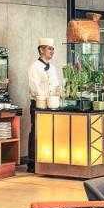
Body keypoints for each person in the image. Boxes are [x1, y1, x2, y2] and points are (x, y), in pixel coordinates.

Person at [25, 38, 62, 169]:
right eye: (49, 49)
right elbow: (34, 88)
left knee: (50, 133)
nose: (52, 51)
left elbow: (56, 86)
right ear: (41, 50)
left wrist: (57, 96)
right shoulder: (34, 67)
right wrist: (45, 98)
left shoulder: (53, 68)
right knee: (37, 132)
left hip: (52, 105)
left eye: (53, 49)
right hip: (38, 104)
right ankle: (33, 163)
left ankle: (48, 162)